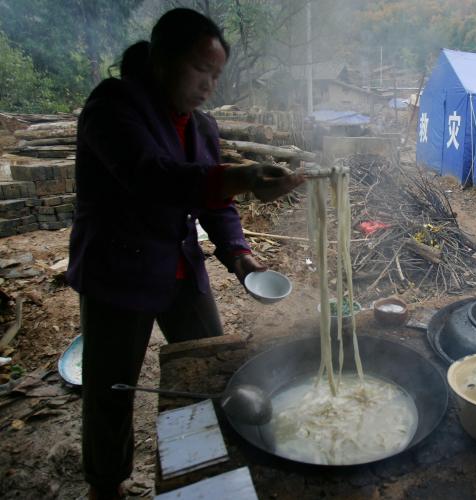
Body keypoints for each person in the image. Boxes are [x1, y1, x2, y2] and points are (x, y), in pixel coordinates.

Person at [67, 8, 304, 499]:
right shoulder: (113, 106)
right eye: (201, 70)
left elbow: (212, 202)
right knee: (112, 389)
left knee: (210, 368)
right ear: (161, 60)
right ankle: (106, 485)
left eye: (216, 75)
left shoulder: (201, 127)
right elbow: (150, 177)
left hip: (180, 269)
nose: (208, 85)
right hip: (119, 272)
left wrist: (239, 254)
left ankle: (204, 470)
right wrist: (242, 176)